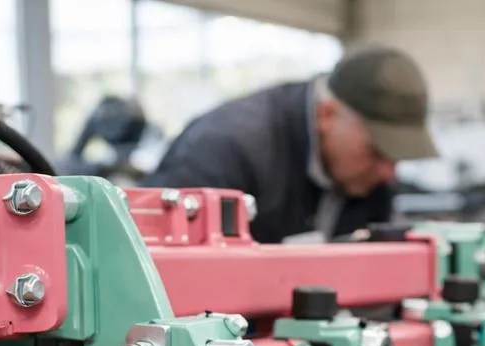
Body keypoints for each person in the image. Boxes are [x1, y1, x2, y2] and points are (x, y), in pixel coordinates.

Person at [142, 44, 439, 244]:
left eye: (397, 156)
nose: (389, 173)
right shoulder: (224, 150)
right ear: (326, 115)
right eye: (377, 152)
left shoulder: (368, 181)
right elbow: (149, 269)